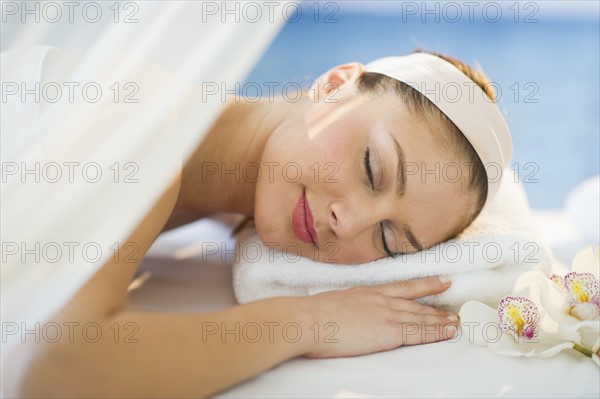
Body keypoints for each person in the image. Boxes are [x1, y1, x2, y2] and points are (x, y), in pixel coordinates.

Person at [19, 50, 511, 397]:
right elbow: (60, 368)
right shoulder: (140, 121)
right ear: (335, 84)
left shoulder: (223, 182)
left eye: (388, 239)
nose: (350, 222)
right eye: (371, 168)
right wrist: (312, 322)